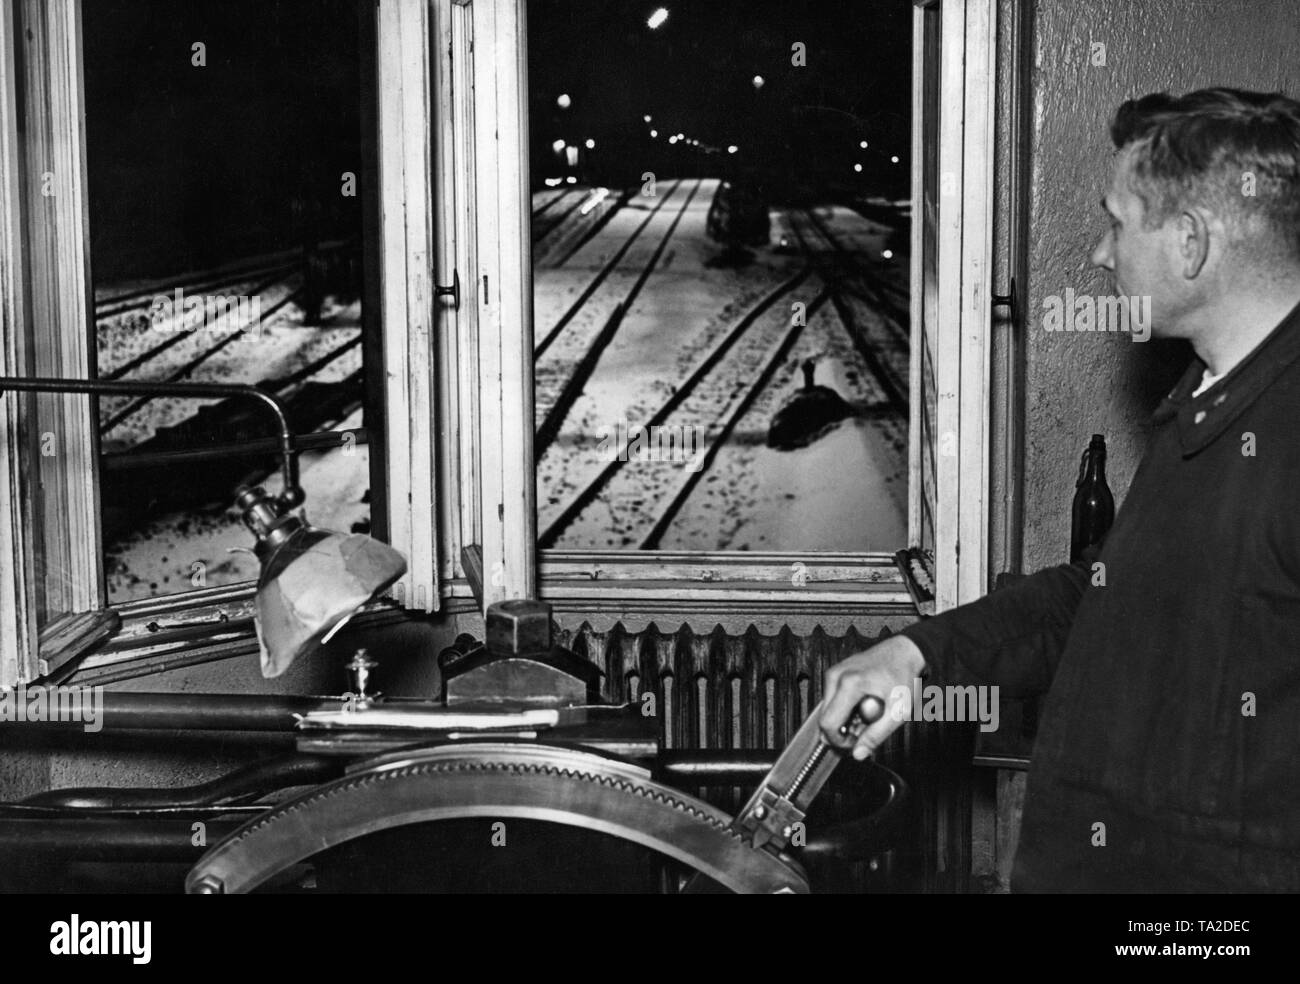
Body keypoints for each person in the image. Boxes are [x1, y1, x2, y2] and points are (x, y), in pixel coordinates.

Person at [819, 88, 1300, 892]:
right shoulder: (1212, 397)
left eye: (1117, 222)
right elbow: (1103, 599)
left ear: (1189, 243)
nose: (1100, 255)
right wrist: (919, 654)